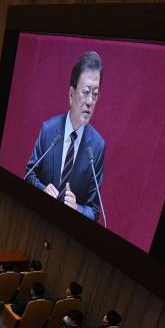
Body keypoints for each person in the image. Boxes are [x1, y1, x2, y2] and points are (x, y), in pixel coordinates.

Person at [24, 51, 105, 222]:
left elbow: (94, 211)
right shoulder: (48, 130)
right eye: (86, 91)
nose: (90, 101)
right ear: (71, 94)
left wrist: (76, 209)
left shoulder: (97, 147)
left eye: (95, 94)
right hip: (37, 220)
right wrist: (42, 190)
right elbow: (28, 175)